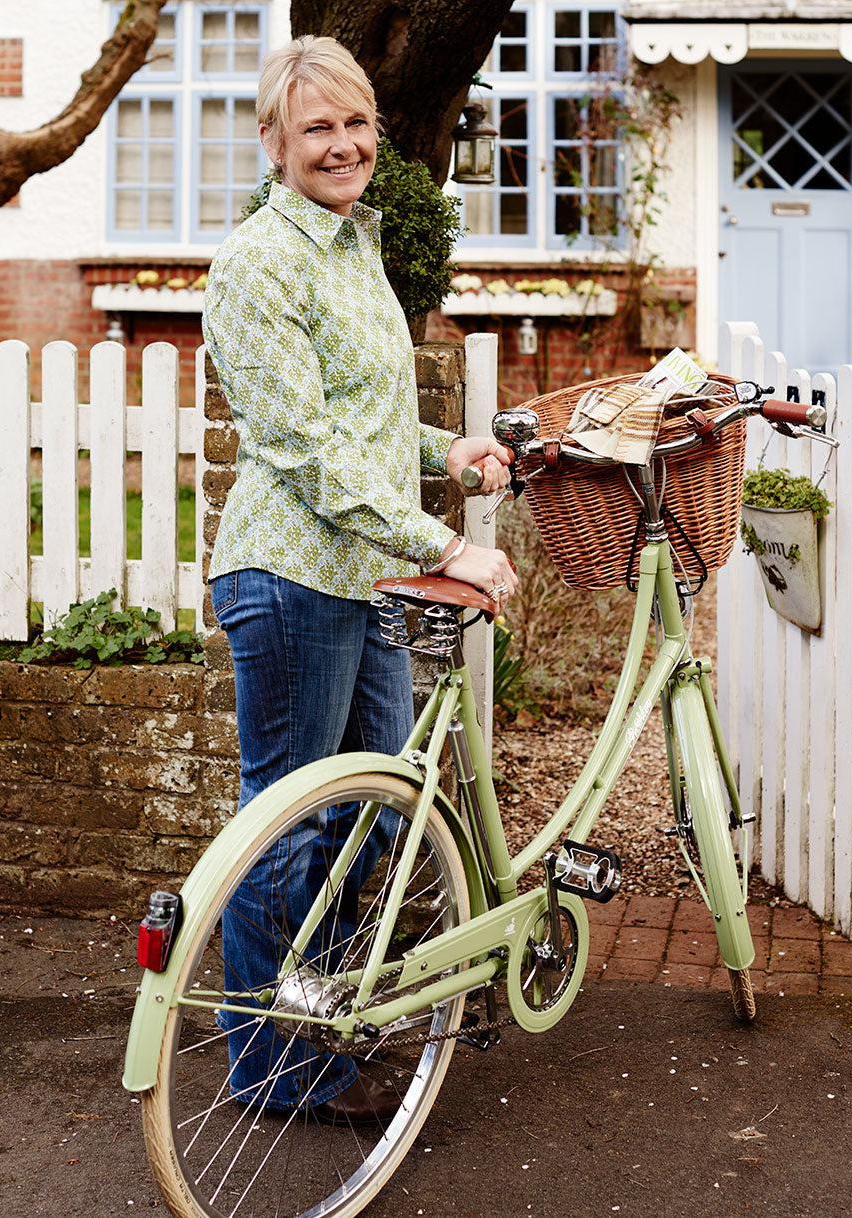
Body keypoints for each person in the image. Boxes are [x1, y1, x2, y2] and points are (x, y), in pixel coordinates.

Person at [202, 34, 518, 1124]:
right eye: (315, 128)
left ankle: (320, 1013)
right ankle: (270, 1061)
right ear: (272, 142)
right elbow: (303, 453)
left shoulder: (349, 247)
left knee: (373, 814)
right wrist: (444, 546)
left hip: (358, 580)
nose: (340, 146)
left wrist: (447, 456)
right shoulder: (259, 262)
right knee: (285, 825)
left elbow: (363, 423)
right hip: (290, 581)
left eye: (355, 125)